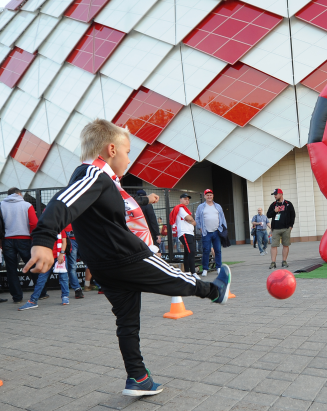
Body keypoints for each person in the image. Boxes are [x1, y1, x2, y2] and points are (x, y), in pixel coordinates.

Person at [25, 119, 231, 397]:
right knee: (175, 276)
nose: (129, 158)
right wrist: (43, 241)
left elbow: (109, 206)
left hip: (104, 267)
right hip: (125, 257)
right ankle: (215, 291)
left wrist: (146, 203)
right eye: (128, 151)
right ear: (111, 149)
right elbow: (62, 202)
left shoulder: (101, 180)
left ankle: (138, 378)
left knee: (127, 322)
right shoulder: (92, 175)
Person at [1, 187, 48, 303]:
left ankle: (17, 297)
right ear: (19, 194)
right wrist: (33, 239)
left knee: (11, 269)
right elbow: (34, 223)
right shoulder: (26, 205)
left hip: (7, 240)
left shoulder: (1, 205)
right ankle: (40, 293)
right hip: (25, 239)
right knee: (32, 265)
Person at [18, 231, 70, 310]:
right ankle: (33, 300)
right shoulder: (45, 229)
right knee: (41, 279)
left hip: (59, 256)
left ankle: (65, 297)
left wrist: (62, 254)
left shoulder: (59, 227)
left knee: (63, 278)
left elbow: (64, 241)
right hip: (47, 258)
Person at [195, 189, 227, 276]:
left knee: (218, 250)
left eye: (210, 195)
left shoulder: (218, 206)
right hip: (206, 232)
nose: (209, 196)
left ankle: (218, 267)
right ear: (204, 196)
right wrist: (200, 228)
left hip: (217, 231)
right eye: (207, 195)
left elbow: (222, 217)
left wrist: (224, 228)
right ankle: (205, 268)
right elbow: (197, 218)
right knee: (206, 250)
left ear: (213, 196)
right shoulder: (201, 207)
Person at [170, 194, 198, 279]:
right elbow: (190, 219)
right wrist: (191, 219)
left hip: (189, 232)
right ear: (180, 199)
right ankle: (193, 272)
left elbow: (193, 221)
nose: (187, 201)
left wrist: (191, 219)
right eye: (185, 199)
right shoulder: (180, 208)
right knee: (191, 251)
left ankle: (187, 272)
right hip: (184, 232)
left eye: (188, 199)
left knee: (187, 252)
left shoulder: (185, 209)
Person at [267, 188, 296, 268]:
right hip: (275, 229)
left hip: (286, 228)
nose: (275, 196)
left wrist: (291, 226)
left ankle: (284, 261)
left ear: (281, 194)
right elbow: (268, 215)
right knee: (273, 245)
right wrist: (274, 211)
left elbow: (293, 215)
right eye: (274, 195)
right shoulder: (273, 205)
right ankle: (273, 262)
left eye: (276, 194)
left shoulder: (288, 204)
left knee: (285, 245)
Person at [63, 223, 84, 298]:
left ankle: (101, 285)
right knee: (72, 266)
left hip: (80, 236)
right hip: (70, 237)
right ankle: (77, 289)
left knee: (93, 262)